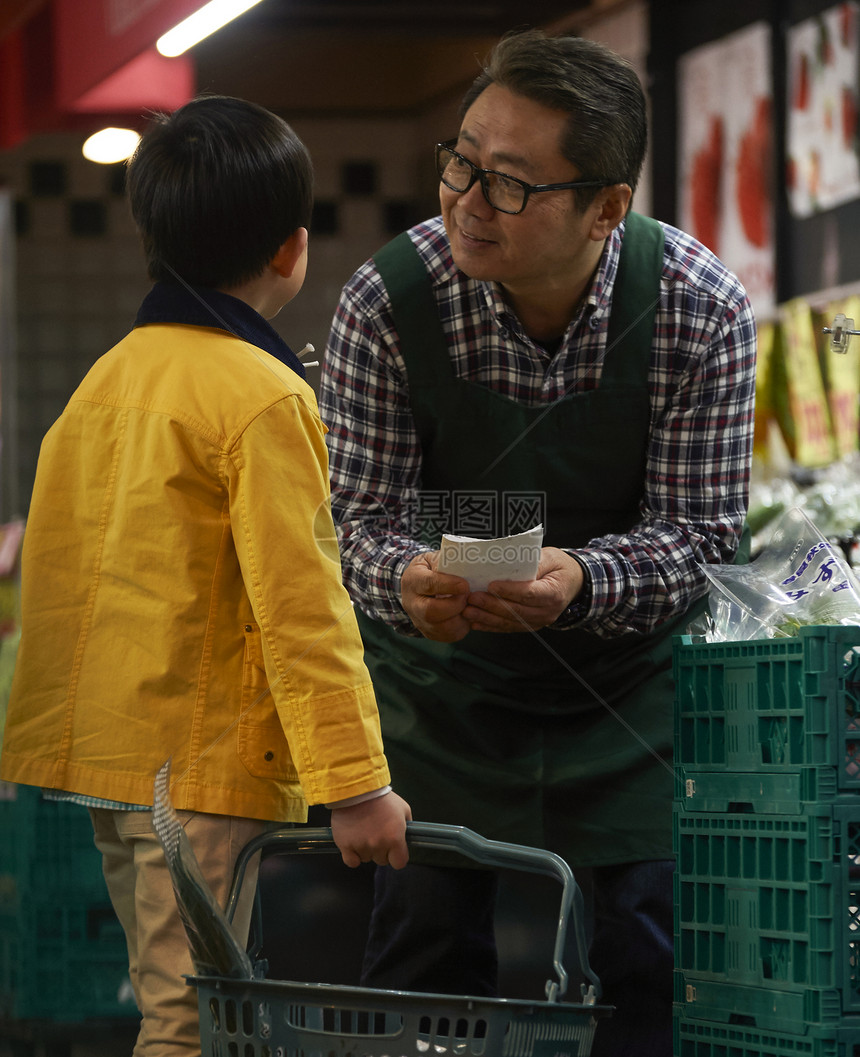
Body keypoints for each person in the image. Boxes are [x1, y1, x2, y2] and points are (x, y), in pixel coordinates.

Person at [319, 29, 756, 1057]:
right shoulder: (387, 304)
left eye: (509, 183)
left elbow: (699, 535)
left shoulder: (696, 308)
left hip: (625, 683)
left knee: (655, 952)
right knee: (424, 958)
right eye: (461, 161)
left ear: (606, 206)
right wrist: (408, 578)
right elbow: (359, 524)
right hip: (444, 685)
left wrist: (583, 577)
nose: (467, 199)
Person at [0, 95, 411, 1056]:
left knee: (171, 999)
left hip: (109, 765)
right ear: (291, 250)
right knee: (196, 1021)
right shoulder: (263, 397)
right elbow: (304, 604)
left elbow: (58, 585)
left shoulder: (99, 386)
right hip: (203, 775)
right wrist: (355, 785)